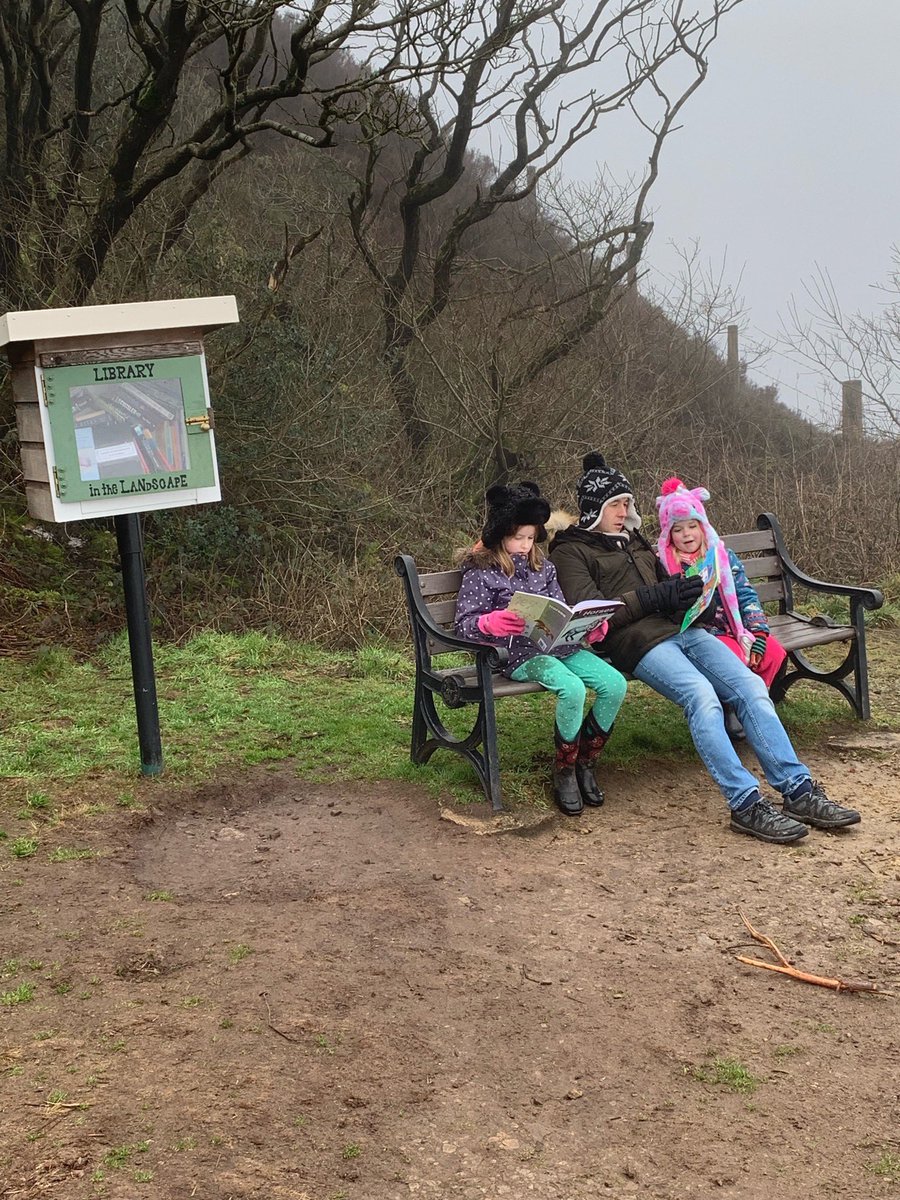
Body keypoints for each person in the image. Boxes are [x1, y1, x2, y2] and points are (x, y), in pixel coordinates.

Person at [549, 452, 861, 845]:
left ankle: (797, 789)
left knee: (749, 687)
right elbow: (591, 618)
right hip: (636, 642)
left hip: (685, 630)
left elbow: (669, 585)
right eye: (616, 504)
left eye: (627, 503)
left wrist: (690, 596)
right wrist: (657, 595)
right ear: (595, 509)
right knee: (702, 698)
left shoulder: (636, 541)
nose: (624, 510)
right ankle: (745, 803)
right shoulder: (570, 550)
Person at [455, 480, 627, 817]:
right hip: (516, 655)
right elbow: (464, 624)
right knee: (573, 690)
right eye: (517, 537)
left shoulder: (543, 568)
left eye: (531, 537)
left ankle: (585, 763)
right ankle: (564, 770)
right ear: (500, 534)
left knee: (615, 684)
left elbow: (560, 610)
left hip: (560, 647)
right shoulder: (481, 572)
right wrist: (489, 623)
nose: (524, 545)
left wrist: (587, 628)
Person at [655, 477, 787, 690]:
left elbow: (745, 593)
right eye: (678, 530)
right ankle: (735, 704)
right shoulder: (665, 565)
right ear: (669, 534)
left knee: (772, 652)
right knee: (731, 660)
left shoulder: (722, 556)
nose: (687, 534)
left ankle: (757, 699)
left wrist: (759, 632)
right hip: (703, 633)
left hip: (737, 627)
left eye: (692, 526)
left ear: (703, 527)